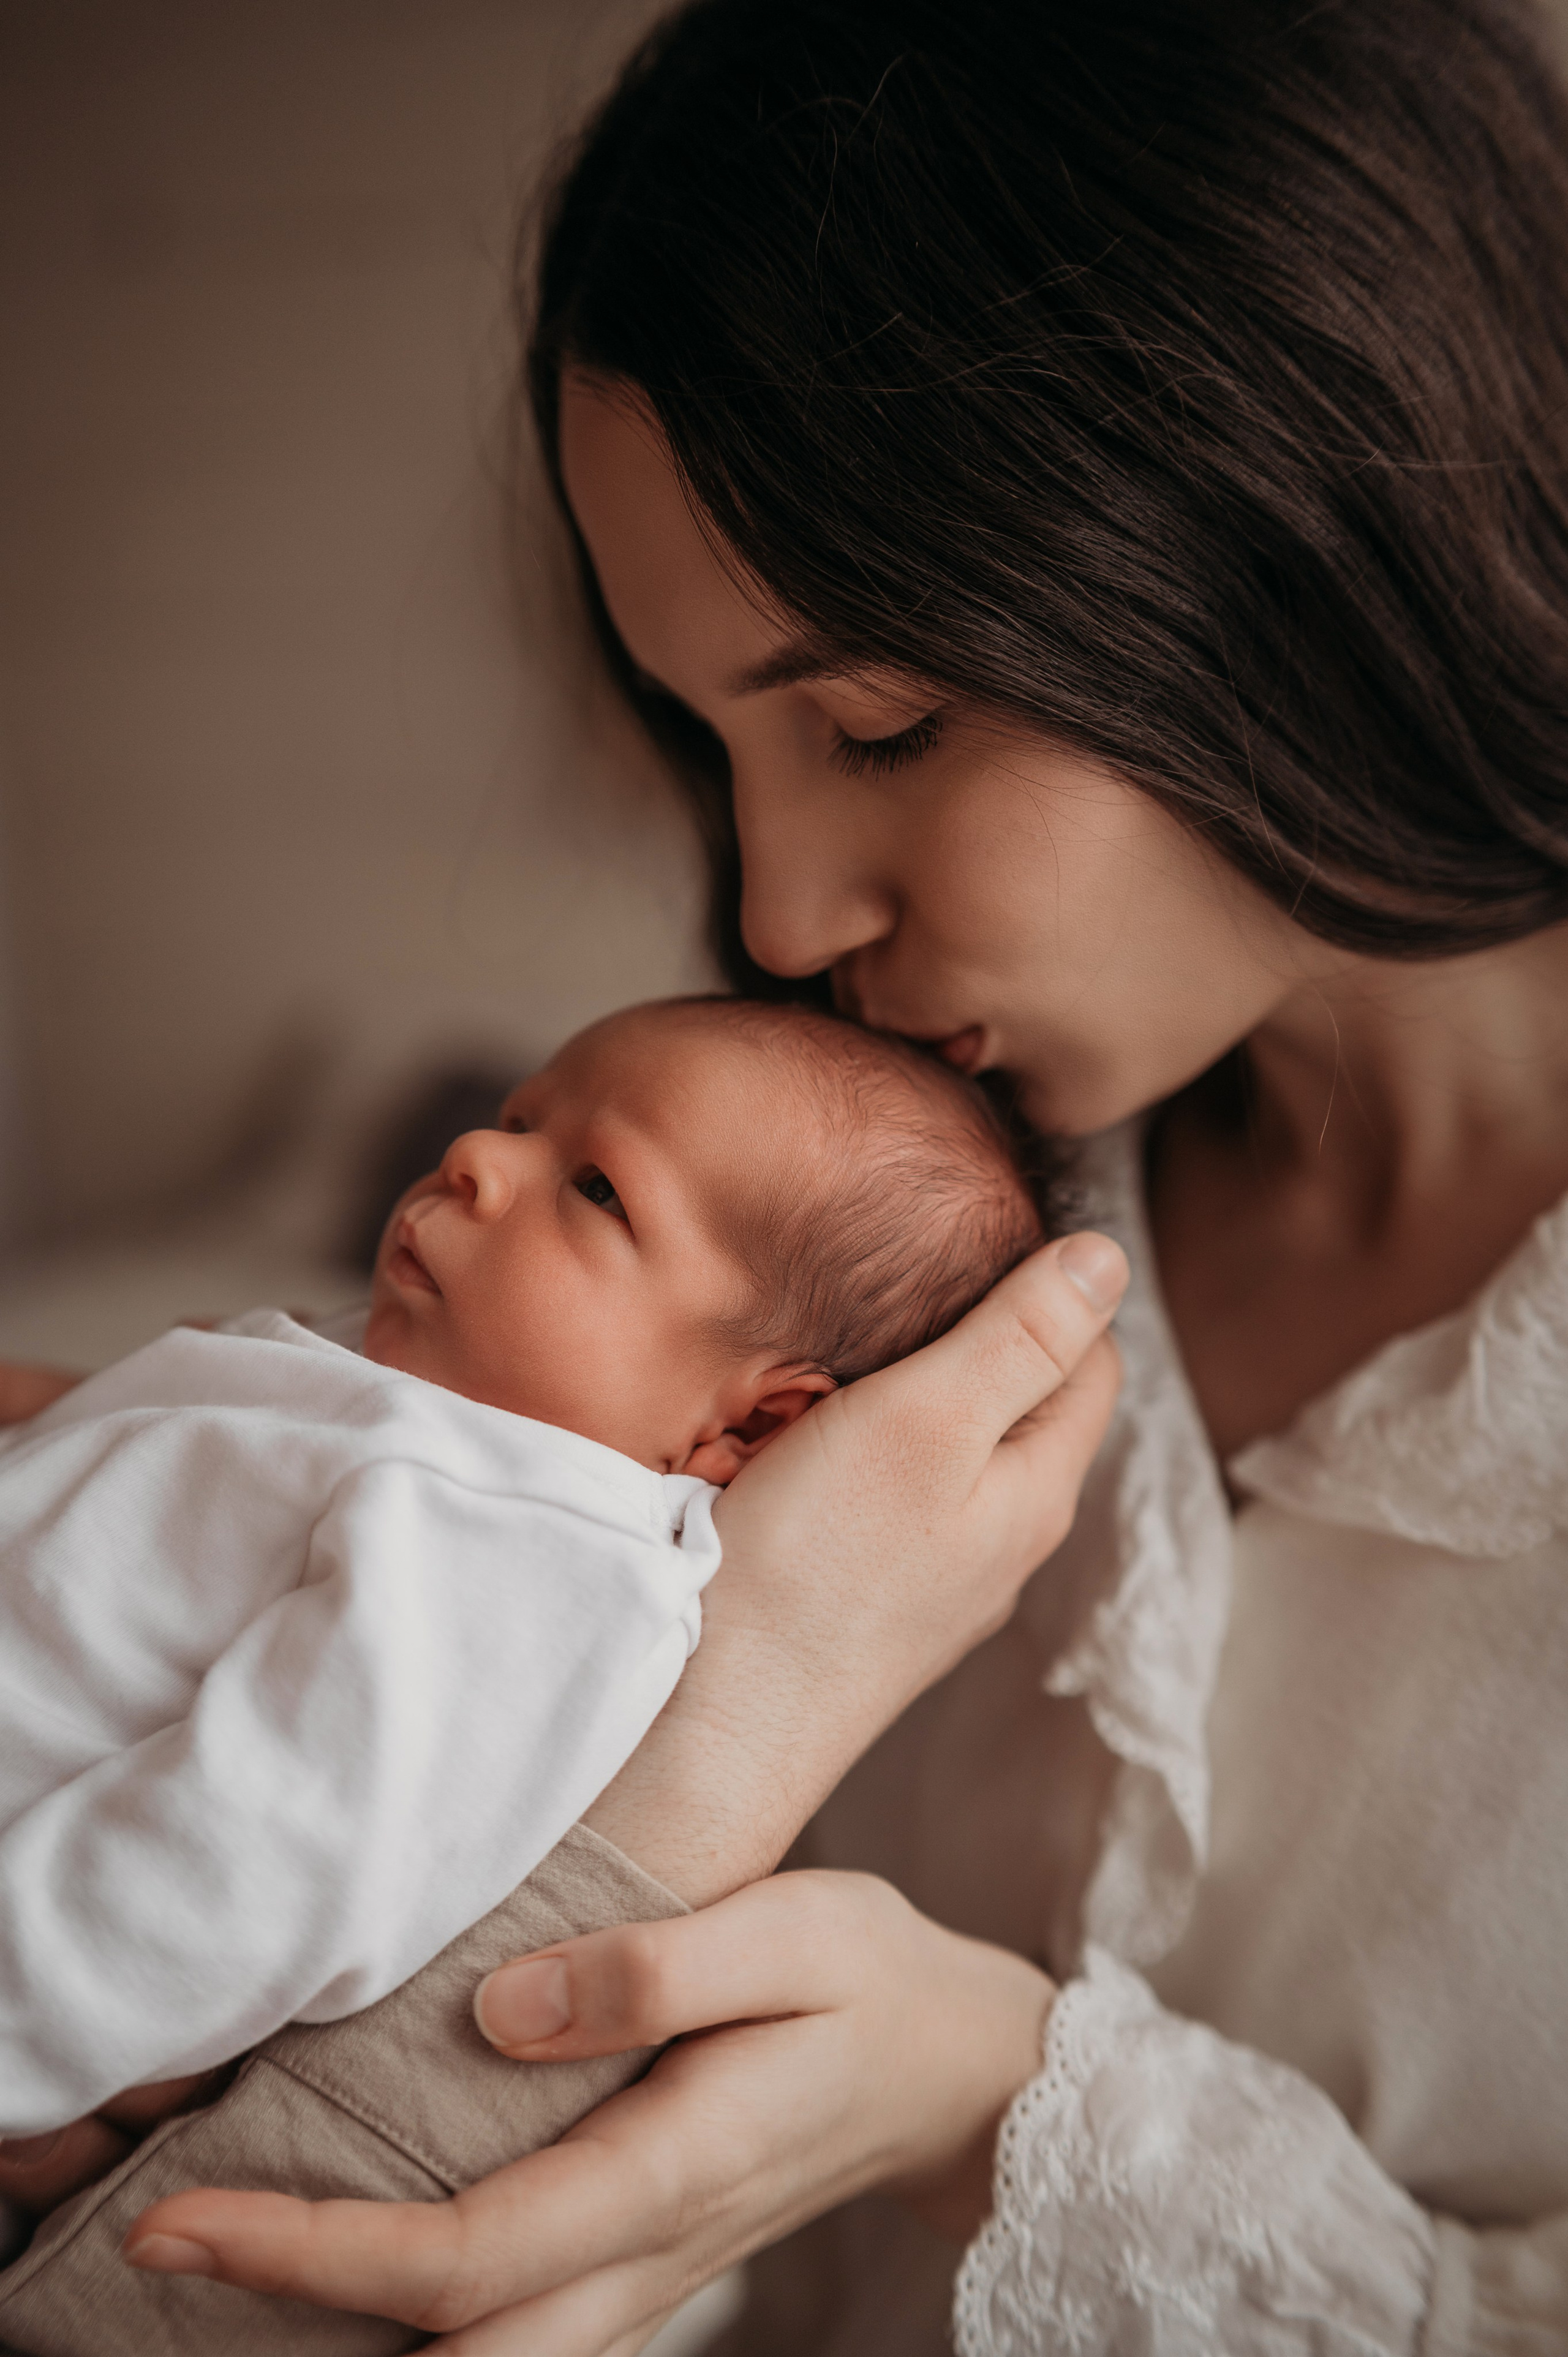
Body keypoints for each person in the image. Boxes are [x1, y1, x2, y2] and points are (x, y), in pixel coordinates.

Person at [12, 0, 1568, 2347]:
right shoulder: (880, 1223)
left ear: (1292, 513)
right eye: (710, 738)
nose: (770, 917)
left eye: (877, 722)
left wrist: (991, 2100)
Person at [0, 997, 1046, 2131]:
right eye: (518, 1118)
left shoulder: (532, 1560)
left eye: (597, 1187)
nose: (477, 1157)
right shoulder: (437, 1393)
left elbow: (256, 1851)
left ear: (750, 1427)